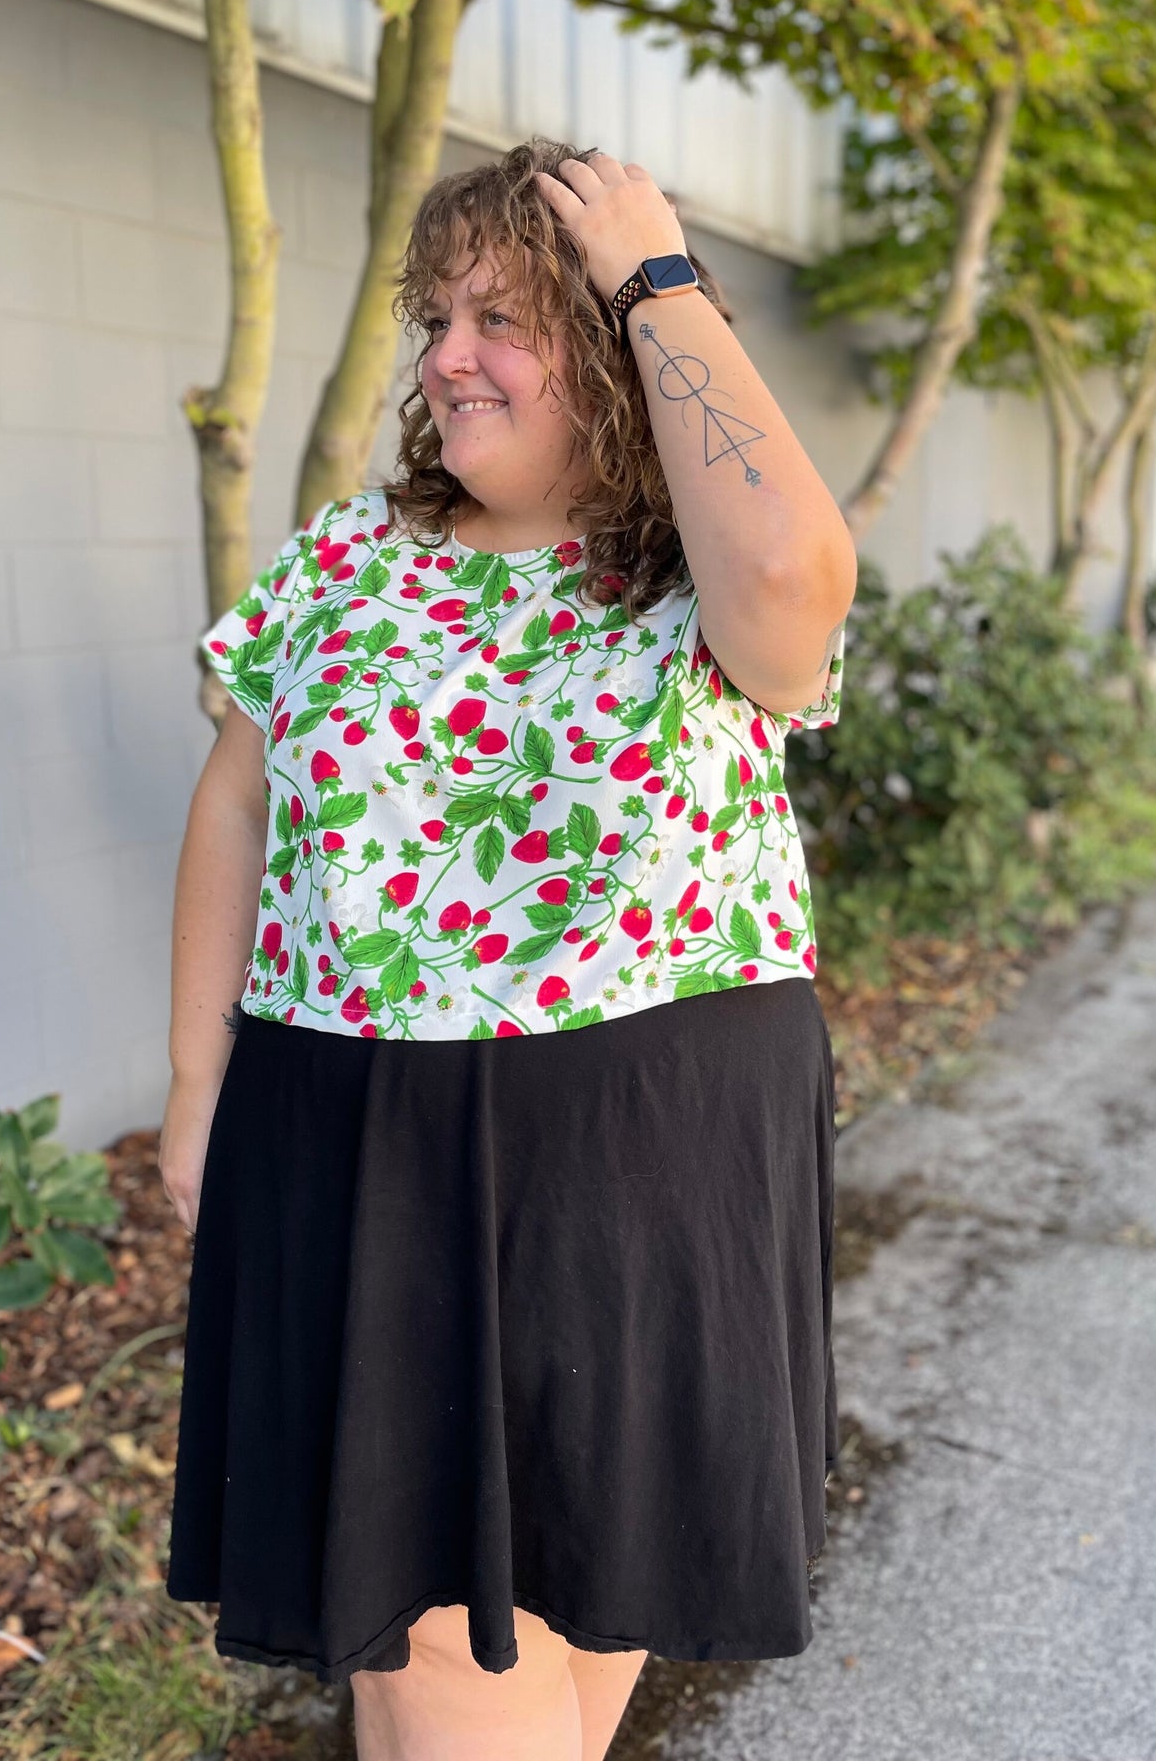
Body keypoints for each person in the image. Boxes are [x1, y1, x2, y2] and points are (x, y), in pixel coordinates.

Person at [160, 139, 856, 1761]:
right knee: (430, 1672)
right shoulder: (348, 560)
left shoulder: (693, 568)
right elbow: (235, 800)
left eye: (503, 318)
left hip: (647, 1147)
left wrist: (652, 267)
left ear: (616, 348)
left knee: (544, 1645)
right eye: (434, 317)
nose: (446, 357)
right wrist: (199, 1080)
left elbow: (793, 572)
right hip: (357, 1140)